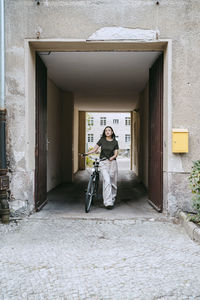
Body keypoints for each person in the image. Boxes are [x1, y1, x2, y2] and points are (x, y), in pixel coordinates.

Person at [85, 126, 119, 209]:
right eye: (106, 130)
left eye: (109, 130)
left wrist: (113, 157)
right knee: (107, 181)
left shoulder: (115, 142)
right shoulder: (102, 140)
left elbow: (116, 153)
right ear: (104, 132)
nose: (107, 132)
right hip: (103, 163)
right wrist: (86, 153)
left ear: (112, 132)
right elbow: (94, 149)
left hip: (112, 163)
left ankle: (112, 199)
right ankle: (108, 202)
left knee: (113, 183)